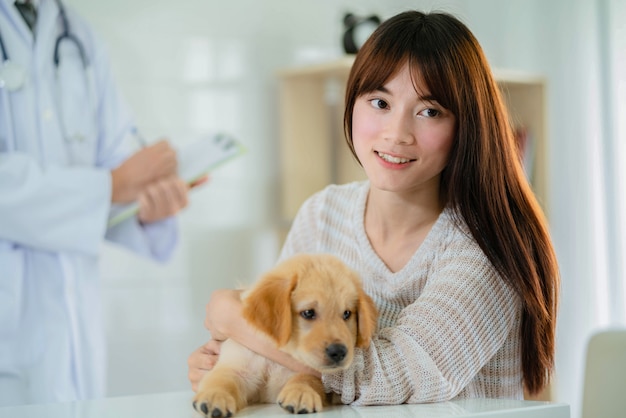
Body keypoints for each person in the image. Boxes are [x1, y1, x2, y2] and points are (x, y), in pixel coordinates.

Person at [187, 10, 560, 405]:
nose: (396, 133)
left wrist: (235, 319)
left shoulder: (487, 247)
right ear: (351, 104)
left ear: (466, 126)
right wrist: (228, 368)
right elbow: (281, 359)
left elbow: (391, 377)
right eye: (379, 102)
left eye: (429, 111)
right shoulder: (322, 214)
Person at [0, 0, 202, 406]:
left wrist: (146, 207)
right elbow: (109, 181)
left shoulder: (77, 34)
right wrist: (112, 185)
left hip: (74, 332)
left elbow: (114, 160)